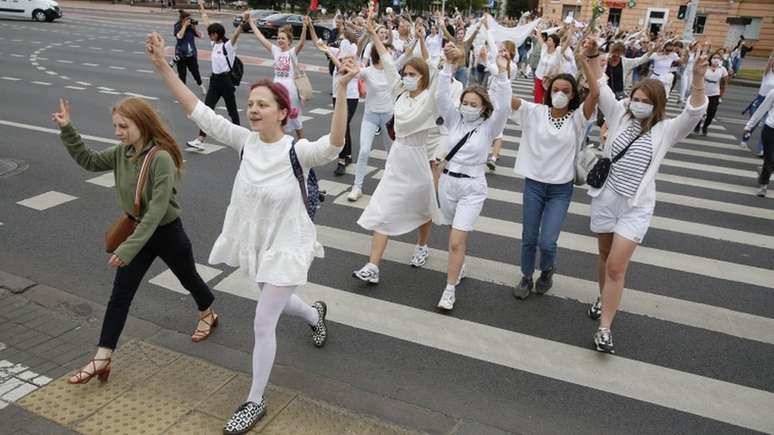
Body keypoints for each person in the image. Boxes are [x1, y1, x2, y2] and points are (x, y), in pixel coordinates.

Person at [146, 31, 355, 433]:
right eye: (251, 104)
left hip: (288, 244)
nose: (253, 110)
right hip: (259, 243)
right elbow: (198, 111)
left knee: (263, 320)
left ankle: (254, 400)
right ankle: (315, 314)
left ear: (283, 111)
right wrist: (162, 66)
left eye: (263, 104)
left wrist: (342, 89)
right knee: (277, 301)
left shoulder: (298, 152)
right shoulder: (245, 142)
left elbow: (335, 142)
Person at [51, 97, 218, 385]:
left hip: (166, 232)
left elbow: (156, 210)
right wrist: (68, 129)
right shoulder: (121, 153)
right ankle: (102, 357)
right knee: (120, 295)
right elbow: (89, 160)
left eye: (124, 126)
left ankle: (208, 313)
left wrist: (127, 249)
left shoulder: (161, 158)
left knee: (188, 277)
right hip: (137, 232)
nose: (118, 132)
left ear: (142, 124)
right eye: (116, 126)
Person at [587, 54, 708, 354]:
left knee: (616, 266)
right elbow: (598, 86)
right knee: (604, 255)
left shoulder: (666, 130)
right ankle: (603, 297)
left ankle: (604, 329)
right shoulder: (618, 115)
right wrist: (589, 56)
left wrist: (698, 80)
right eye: (635, 97)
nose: (637, 103)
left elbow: (693, 114)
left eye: (644, 100)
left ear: (656, 104)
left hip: (635, 207)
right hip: (606, 199)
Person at [352, 16, 440, 284]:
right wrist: (373, 35)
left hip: (418, 158)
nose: (408, 77)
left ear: (424, 79)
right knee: (383, 208)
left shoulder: (429, 98)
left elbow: (436, 70)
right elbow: (389, 62)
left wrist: (424, 40)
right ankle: (372, 266)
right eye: (407, 74)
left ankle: (422, 246)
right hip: (397, 158)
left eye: (414, 75)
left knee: (425, 208)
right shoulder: (399, 93)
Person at [511, 39, 600, 300]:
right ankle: (527, 275)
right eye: (556, 89)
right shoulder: (535, 112)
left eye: (566, 90)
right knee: (529, 237)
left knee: (547, 241)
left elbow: (594, 95)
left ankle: (547, 270)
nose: (560, 94)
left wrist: (585, 60)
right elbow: (506, 99)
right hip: (534, 185)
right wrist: (502, 68)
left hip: (560, 189)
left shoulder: (578, 120)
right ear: (549, 92)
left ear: (572, 95)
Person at [434, 43, 512, 310]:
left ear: (483, 108)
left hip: (472, 188)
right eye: (465, 103)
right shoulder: (454, 119)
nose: (468, 107)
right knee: (454, 236)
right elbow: (441, 97)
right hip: (447, 183)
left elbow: (503, 107)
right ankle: (460, 265)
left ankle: (449, 289)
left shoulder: (490, 126)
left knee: (456, 241)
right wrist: (448, 66)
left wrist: (502, 74)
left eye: (473, 104)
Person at [186, 2, 245, 151]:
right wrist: (201, 7)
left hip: (226, 81)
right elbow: (206, 22)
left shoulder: (228, 46)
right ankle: (200, 139)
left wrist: (244, 21)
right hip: (215, 81)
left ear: (218, 34)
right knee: (207, 110)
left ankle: (242, 138)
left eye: (212, 33)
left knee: (232, 111)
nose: (210, 35)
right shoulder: (214, 44)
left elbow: (236, 35)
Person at [246, 14, 308, 139]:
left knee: (295, 119)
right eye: (278, 38)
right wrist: (251, 22)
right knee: (278, 116)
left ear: (289, 41)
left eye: (283, 38)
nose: (280, 40)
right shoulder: (275, 50)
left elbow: (301, 43)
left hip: (290, 90)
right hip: (276, 89)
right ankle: (281, 142)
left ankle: (302, 143)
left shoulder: (292, 52)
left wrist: (305, 27)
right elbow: (260, 37)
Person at [310, 22, 360, 176]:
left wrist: (339, 49)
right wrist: (310, 27)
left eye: (343, 38)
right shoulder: (335, 51)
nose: (339, 41)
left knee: (342, 126)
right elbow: (317, 43)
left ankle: (341, 160)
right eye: (340, 38)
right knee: (345, 126)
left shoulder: (352, 55)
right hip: (337, 94)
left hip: (350, 96)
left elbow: (342, 68)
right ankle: (349, 155)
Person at [347, 43, 395, 201]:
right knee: (364, 150)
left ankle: (390, 186)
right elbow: (353, 72)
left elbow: (408, 56)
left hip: (388, 116)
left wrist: (418, 39)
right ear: (378, 53)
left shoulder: (392, 71)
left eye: (390, 53)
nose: (390, 55)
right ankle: (357, 186)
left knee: (392, 153)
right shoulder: (368, 72)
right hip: (370, 116)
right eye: (387, 53)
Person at [743, 87, 774, 198]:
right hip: (770, 130)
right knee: (769, 159)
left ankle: (764, 171)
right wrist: (749, 126)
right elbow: (762, 109)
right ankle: (763, 186)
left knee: (771, 162)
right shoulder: (773, 92)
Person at [693, 51, 728, 136]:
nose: (716, 60)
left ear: (720, 60)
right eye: (714, 58)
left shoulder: (722, 69)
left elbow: (724, 83)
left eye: (718, 58)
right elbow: (698, 78)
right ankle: (697, 126)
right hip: (703, 92)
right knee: (700, 111)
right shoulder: (705, 67)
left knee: (711, 112)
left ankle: (705, 126)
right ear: (710, 59)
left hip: (715, 94)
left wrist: (721, 96)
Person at [173, 9, 205, 95]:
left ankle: (201, 85)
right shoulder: (177, 26)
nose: (190, 20)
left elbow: (201, 36)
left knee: (195, 72)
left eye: (190, 19)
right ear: (183, 19)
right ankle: (183, 91)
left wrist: (194, 28)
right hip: (181, 54)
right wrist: (184, 26)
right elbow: (179, 36)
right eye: (188, 19)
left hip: (191, 55)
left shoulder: (191, 27)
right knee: (182, 74)